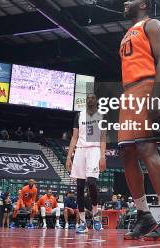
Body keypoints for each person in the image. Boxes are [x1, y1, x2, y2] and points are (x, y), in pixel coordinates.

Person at [118, 0, 160, 240]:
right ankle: (144, 215)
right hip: (129, 92)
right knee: (126, 152)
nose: (125, 3)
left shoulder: (153, 25)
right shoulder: (128, 32)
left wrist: (157, 97)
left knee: (147, 148)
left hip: (149, 87)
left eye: (130, 0)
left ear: (143, 4)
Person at [66, 93, 106, 233]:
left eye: (92, 98)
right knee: (79, 187)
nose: (90, 99)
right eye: (88, 98)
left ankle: (95, 215)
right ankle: (82, 222)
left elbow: (102, 138)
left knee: (92, 182)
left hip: (94, 150)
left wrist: (103, 156)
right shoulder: (79, 115)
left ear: (96, 101)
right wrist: (69, 156)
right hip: (80, 150)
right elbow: (74, 137)